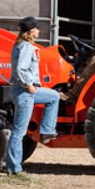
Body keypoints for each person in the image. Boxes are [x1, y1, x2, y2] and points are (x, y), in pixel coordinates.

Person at [5, 16, 60, 175]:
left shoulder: (20, 45)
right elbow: (21, 69)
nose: (39, 30)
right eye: (36, 28)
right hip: (24, 91)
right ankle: (13, 168)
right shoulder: (26, 47)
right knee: (19, 132)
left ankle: (47, 131)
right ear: (30, 31)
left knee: (53, 97)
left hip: (25, 91)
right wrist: (28, 85)